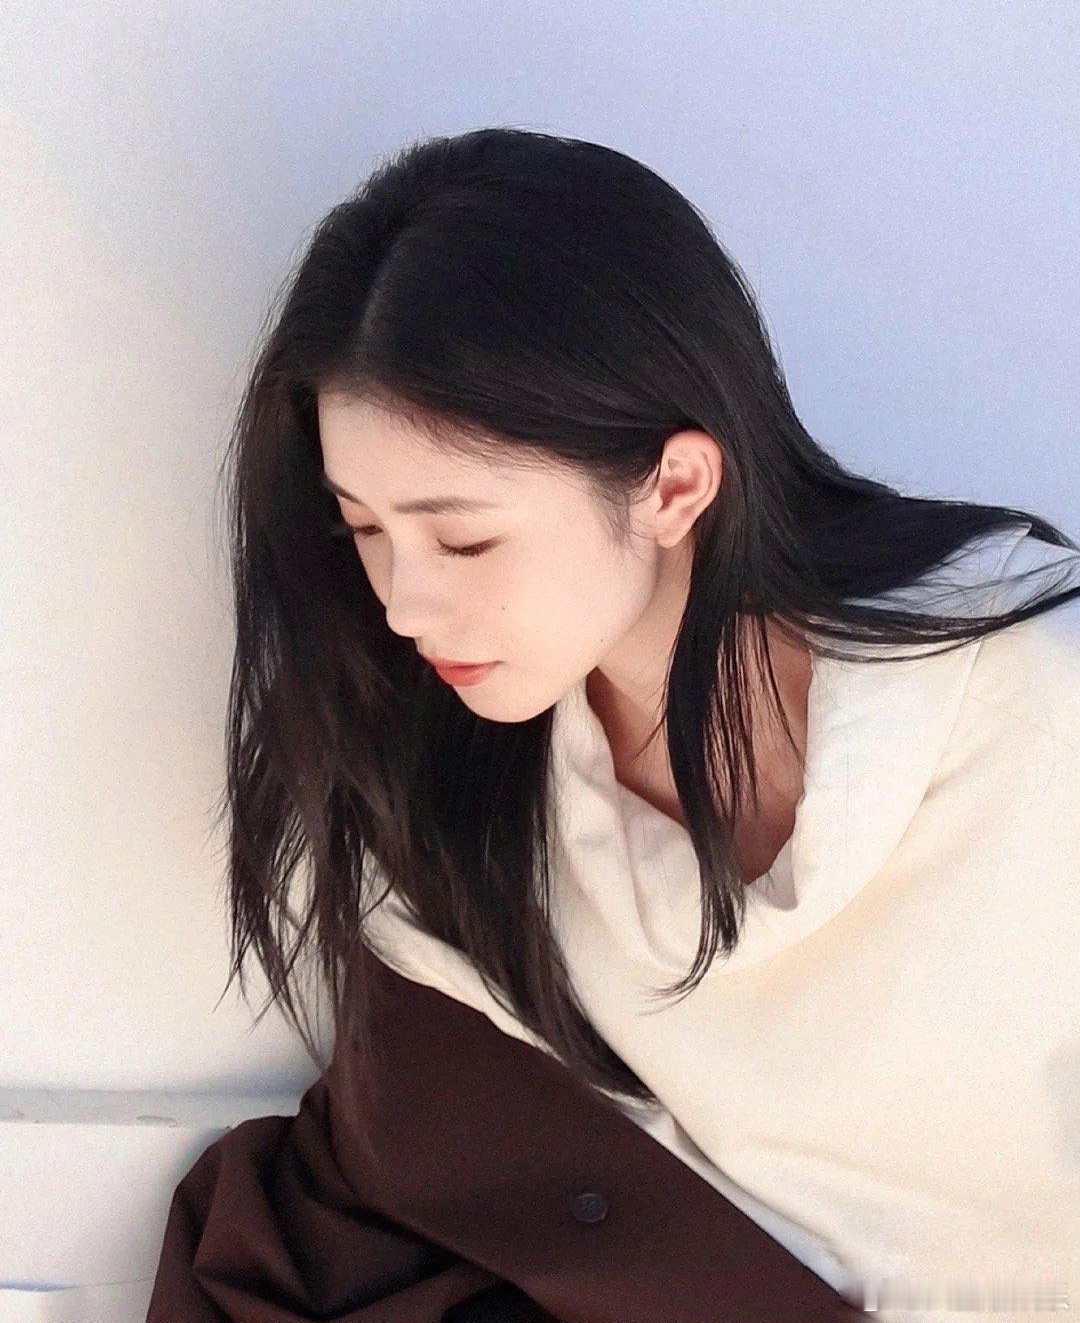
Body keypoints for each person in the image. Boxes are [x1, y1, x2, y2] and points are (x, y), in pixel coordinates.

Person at [146, 127, 1080, 1322]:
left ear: (675, 486)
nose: (402, 603)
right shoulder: (467, 783)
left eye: (464, 537)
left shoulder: (1024, 711)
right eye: (363, 527)